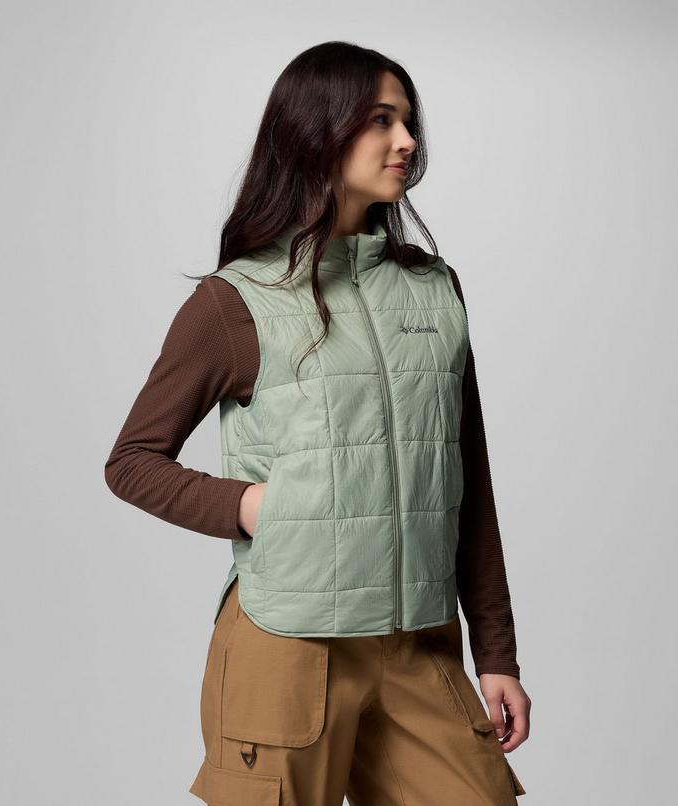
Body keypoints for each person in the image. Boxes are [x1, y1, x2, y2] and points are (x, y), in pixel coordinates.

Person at [105, 41, 531, 805]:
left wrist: (496, 652)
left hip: (416, 646)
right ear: (317, 129)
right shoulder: (236, 303)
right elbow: (133, 461)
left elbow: (467, 479)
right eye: (381, 120)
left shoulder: (434, 291)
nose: (407, 141)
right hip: (286, 644)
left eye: (408, 122)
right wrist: (249, 505)